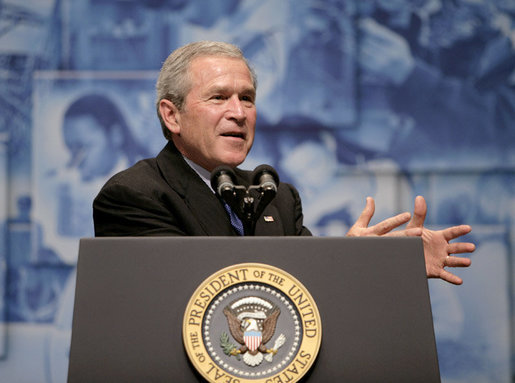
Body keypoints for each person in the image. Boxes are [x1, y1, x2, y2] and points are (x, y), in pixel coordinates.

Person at [93, 40, 474, 285]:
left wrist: (367, 261)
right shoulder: (136, 194)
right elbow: (203, 294)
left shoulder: (275, 196)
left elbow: (308, 290)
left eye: (247, 98)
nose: (238, 113)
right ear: (171, 115)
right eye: (218, 98)